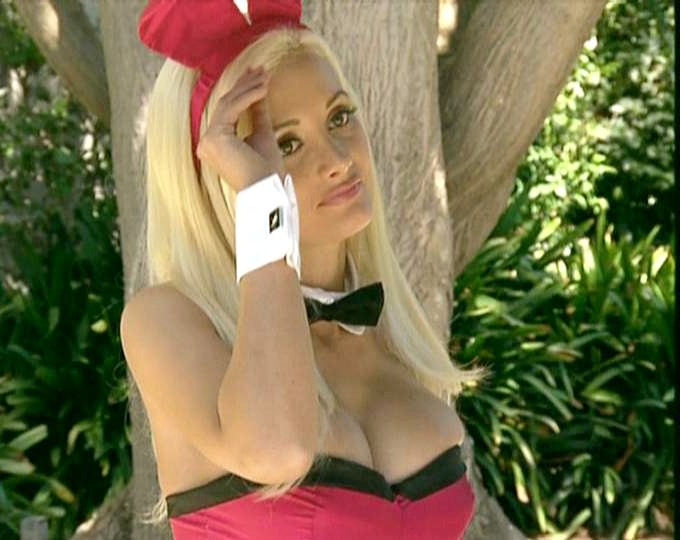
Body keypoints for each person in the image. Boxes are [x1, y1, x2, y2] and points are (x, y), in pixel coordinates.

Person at [120, 0, 489, 538]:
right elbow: (279, 449)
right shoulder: (166, 321)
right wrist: (263, 200)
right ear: (218, 172)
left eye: (339, 117)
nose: (338, 159)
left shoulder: (388, 335)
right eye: (287, 143)